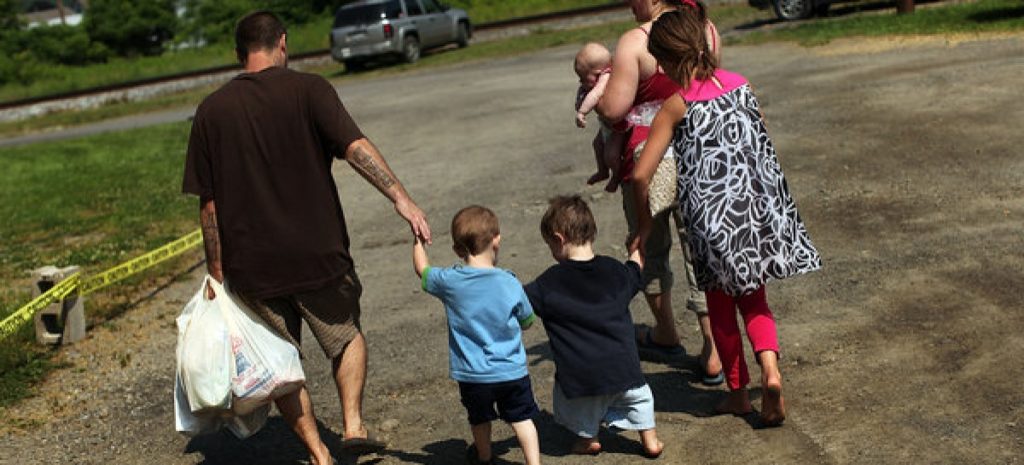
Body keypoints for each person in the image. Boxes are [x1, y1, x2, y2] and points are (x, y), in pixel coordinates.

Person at [182, 11, 432, 464]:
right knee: (345, 337)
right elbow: (355, 148)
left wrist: (216, 272)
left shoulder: (211, 111)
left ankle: (318, 453)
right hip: (317, 253)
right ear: (283, 42)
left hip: (253, 266)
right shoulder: (309, 89)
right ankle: (353, 426)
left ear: (239, 55)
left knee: (279, 363)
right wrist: (401, 199)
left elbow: (209, 205)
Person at [632, 10, 822, 426]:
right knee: (755, 299)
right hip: (754, 214)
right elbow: (761, 138)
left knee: (721, 309)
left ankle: (738, 394)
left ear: (667, 61)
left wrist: (645, 227)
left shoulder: (676, 106)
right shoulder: (741, 85)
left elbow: (641, 172)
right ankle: (770, 372)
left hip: (712, 223)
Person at [596, 0, 724, 385]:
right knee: (699, 248)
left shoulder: (634, 42)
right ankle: (713, 349)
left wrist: (596, 95)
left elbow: (615, 109)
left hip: (648, 158)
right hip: (699, 152)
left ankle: (666, 331)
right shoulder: (706, 28)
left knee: (648, 244)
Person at [525, 195, 664, 458]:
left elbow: (519, 302)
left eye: (550, 246)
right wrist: (636, 250)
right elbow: (635, 270)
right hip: (626, 372)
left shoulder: (549, 283)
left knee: (577, 407)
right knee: (641, 400)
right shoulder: (615, 271)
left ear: (559, 238)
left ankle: (588, 439)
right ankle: (650, 439)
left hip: (581, 379)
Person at [413, 206, 542, 465]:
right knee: (522, 418)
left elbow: (423, 271)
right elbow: (527, 320)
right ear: (497, 240)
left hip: (473, 374)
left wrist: (417, 240)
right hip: (512, 371)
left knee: (479, 418)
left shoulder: (450, 281)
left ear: (458, 250)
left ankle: (484, 457)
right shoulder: (510, 282)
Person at [574, 42, 626, 193]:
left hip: (619, 125)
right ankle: (602, 171)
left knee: (611, 154)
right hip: (607, 124)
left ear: (597, 73)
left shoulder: (606, 77)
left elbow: (596, 94)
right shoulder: (596, 78)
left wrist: (582, 112)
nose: (581, 82)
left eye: (584, 78)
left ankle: (616, 176)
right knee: (597, 144)